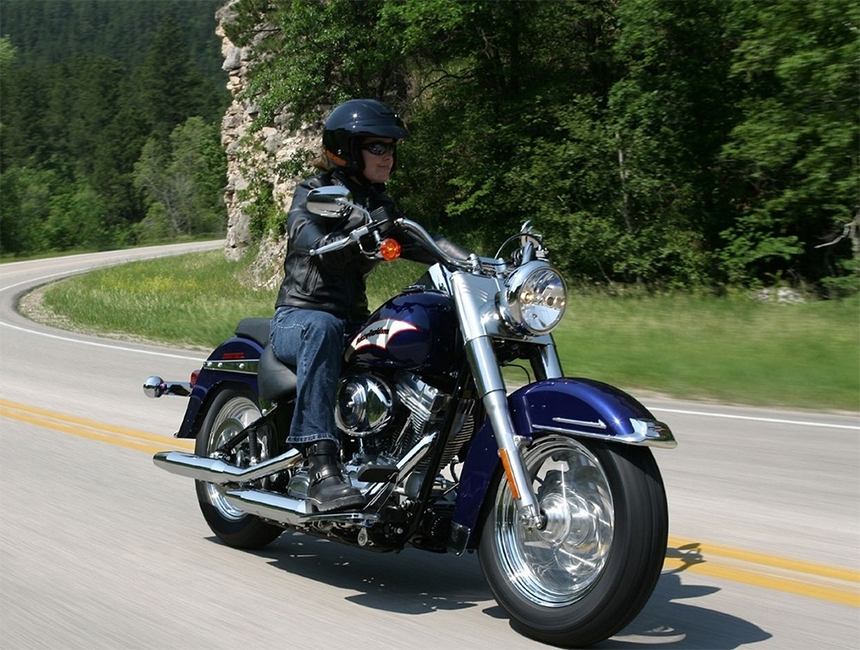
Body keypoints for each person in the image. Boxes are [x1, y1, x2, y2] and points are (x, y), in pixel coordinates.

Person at [270, 98, 467, 513]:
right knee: (322, 326)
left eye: (391, 148)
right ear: (347, 149)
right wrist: (335, 238)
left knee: (425, 321)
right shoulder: (314, 192)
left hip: (353, 321)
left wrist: (469, 261)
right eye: (378, 147)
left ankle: (410, 460)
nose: (389, 156)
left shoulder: (380, 205)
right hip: (299, 317)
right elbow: (305, 232)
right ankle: (321, 468)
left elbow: (420, 241)